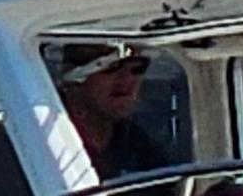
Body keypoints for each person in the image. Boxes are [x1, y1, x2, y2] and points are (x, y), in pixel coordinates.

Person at [50, 45, 178, 184]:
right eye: (112, 67)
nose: (128, 79)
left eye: (138, 68)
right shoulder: (45, 139)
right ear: (73, 80)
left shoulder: (141, 150)